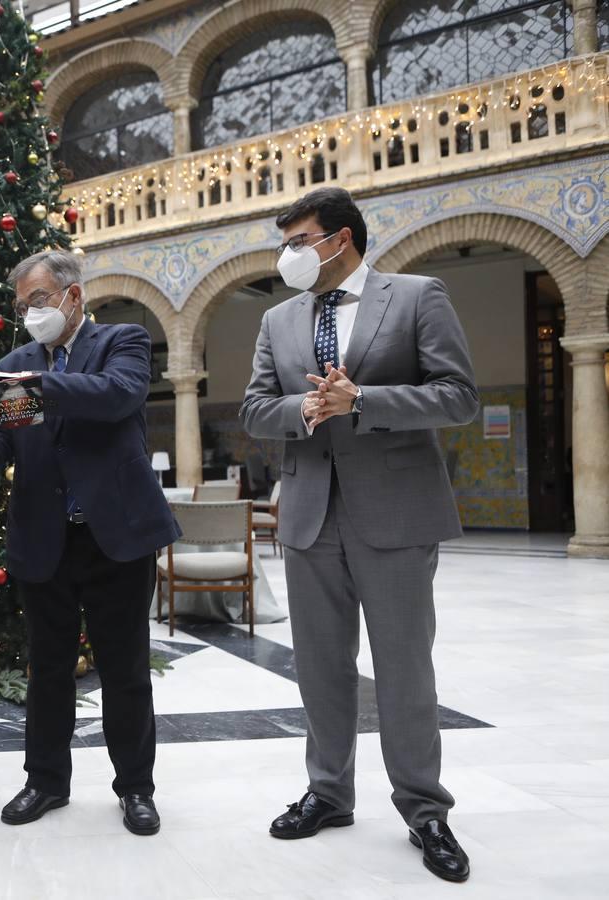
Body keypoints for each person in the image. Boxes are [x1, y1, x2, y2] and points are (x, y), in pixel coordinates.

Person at [241, 187, 479, 883]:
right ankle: (328, 792)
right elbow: (257, 408)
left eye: (299, 240)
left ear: (340, 238)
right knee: (319, 666)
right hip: (310, 513)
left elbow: (459, 396)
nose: (288, 254)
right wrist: (305, 408)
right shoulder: (278, 320)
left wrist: (364, 400)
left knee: (404, 668)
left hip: (396, 513)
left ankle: (425, 810)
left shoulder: (415, 296)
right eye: (284, 243)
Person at [0, 249, 178, 837]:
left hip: (116, 535)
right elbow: (1, 448)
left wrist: (39, 385)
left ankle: (136, 789)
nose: (29, 314)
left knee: (125, 669)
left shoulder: (122, 341)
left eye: (39, 301)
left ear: (73, 296)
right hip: (44, 537)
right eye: (22, 305)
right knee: (47, 668)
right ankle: (46, 780)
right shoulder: (12, 364)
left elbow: (119, 395)